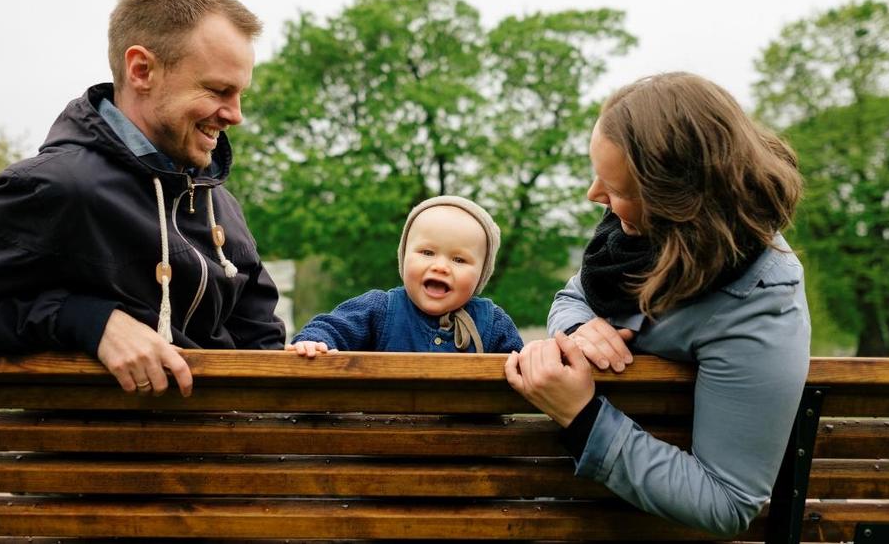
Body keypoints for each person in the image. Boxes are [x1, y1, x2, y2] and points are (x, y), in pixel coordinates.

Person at [0, 0, 285, 396]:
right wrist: (89, 320)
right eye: (219, 90)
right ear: (141, 70)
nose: (235, 115)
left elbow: (261, 338)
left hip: (229, 451)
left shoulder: (217, 201)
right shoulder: (54, 188)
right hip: (96, 458)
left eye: (239, 95)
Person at [505, 72, 809, 538]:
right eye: (598, 177)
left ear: (680, 203)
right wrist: (577, 326)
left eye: (618, 190)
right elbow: (573, 294)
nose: (594, 196)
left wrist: (582, 416)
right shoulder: (632, 242)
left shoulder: (759, 302)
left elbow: (727, 502)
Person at [288, 196, 523, 356]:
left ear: (481, 275)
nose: (441, 267)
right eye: (427, 253)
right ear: (404, 257)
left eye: (459, 260)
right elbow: (333, 328)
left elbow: (523, 365)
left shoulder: (492, 323)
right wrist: (315, 342)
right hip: (386, 429)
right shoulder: (380, 308)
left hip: (468, 430)